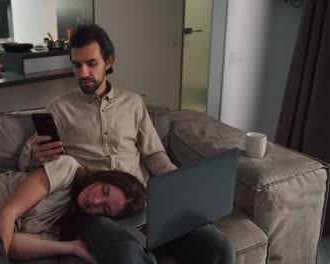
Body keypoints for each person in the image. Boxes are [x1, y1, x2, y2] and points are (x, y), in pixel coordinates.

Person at [18, 24, 235, 264]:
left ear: (108, 61)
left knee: (218, 246)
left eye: (91, 64)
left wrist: (180, 192)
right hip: (97, 212)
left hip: (142, 201)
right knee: (128, 256)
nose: (83, 73)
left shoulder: (133, 103)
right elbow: (26, 161)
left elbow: (155, 157)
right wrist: (33, 157)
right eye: (76, 65)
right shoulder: (59, 109)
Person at [0, 155, 145, 264]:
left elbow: (15, 246)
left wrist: (71, 247)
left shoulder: (66, 225)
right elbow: (10, 212)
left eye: (104, 209)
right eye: (103, 191)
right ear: (104, 177)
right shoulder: (68, 168)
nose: (94, 202)